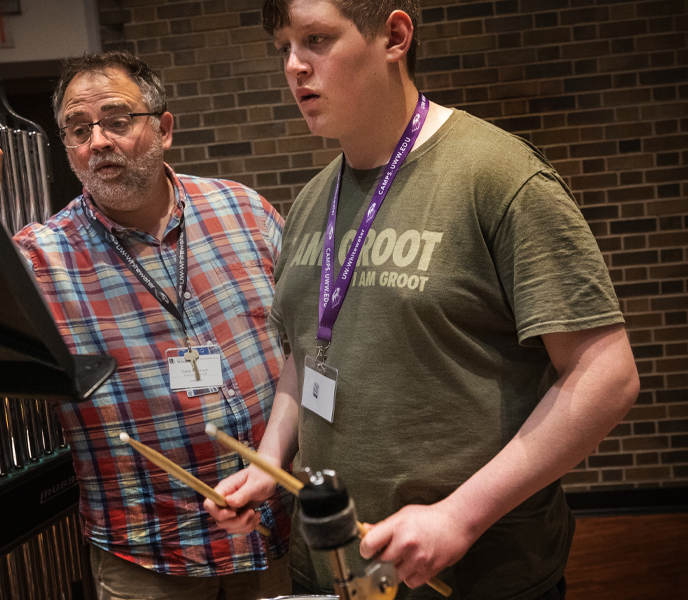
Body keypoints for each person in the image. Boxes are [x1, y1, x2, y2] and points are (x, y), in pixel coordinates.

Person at [204, 1, 640, 599]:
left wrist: (460, 515)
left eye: (316, 40)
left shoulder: (499, 176)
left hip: (479, 576)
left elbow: (607, 377)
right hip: (340, 569)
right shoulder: (310, 202)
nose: (294, 67)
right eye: (284, 47)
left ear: (395, 36)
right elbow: (305, 356)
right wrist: (267, 463)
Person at [0, 51, 293, 600]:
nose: (99, 142)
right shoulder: (42, 258)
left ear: (163, 128)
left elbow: (310, 341)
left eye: (117, 120)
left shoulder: (245, 212)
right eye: (79, 129)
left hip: (274, 533)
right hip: (149, 554)